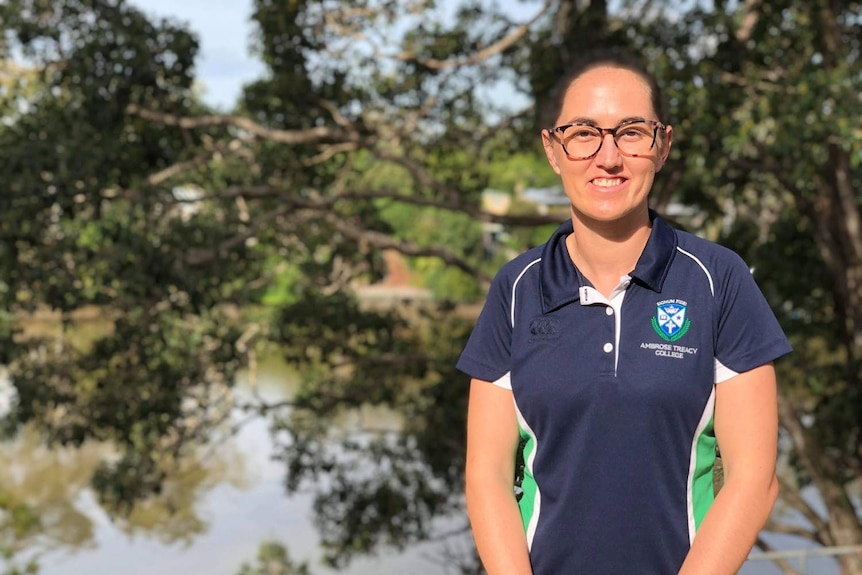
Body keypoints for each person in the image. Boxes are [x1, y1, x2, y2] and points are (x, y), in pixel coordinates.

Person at [457, 48, 792, 575]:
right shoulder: (515, 289)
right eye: (583, 132)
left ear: (663, 146)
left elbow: (754, 480)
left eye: (632, 132)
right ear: (553, 148)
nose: (607, 157)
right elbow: (487, 477)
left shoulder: (719, 280)